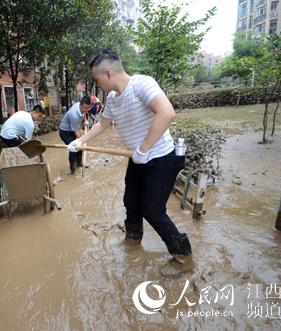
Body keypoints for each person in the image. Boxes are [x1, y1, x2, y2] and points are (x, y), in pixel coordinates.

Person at [68, 50, 192, 275]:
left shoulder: (142, 84)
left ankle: (183, 256)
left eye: (96, 78)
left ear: (108, 73)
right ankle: (133, 239)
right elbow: (102, 124)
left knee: (152, 210)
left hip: (161, 158)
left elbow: (167, 113)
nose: (97, 83)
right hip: (137, 159)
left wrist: (144, 149)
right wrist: (81, 143)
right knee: (131, 202)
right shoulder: (113, 99)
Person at [59, 96, 92, 174]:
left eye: (88, 108)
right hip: (64, 132)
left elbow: (84, 113)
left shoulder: (80, 106)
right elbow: (76, 133)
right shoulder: (74, 115)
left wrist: (85, 120)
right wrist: (82, 140)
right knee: (74, 148)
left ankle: (79, 163)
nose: (86, 110)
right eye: (85, 107)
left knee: (79, 146)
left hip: (72, 129)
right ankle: (73, 169)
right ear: (80, 105)